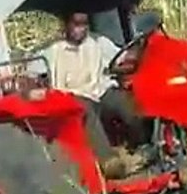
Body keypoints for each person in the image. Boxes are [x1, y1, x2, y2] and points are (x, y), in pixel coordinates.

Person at [39, 12, 145, 174]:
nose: (81, 29)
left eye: (84, 24)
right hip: (73, 96)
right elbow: (31, 69)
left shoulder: (98, 42)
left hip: (99, 91)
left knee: (125, 102)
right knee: (85, 109)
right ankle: (108, 161)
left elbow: (123, 57)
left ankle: (141, 147)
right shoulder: (53, 50)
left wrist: (139, 51)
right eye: (76, 24)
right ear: (66, 25)